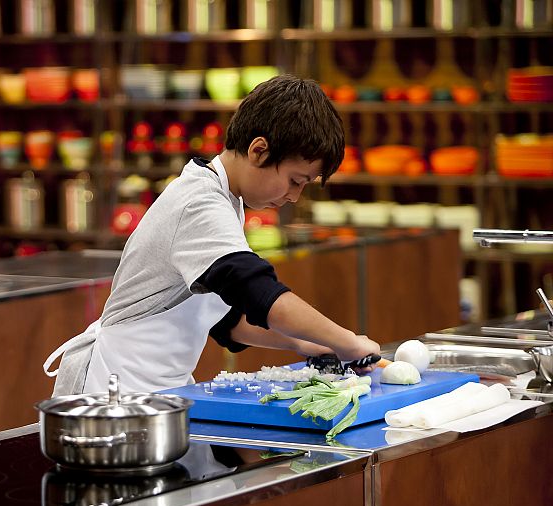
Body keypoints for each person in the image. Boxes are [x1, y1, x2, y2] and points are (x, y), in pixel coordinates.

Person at [44, 74, 380, 395]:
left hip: (152, 385)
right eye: (295, 180)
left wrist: (305, 343)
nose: (294, 196)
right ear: (259, 150)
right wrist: (346, 341)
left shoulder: (225, 198)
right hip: (114, 386)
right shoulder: (200, 202)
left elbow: (225, 319)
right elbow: (256, 290)